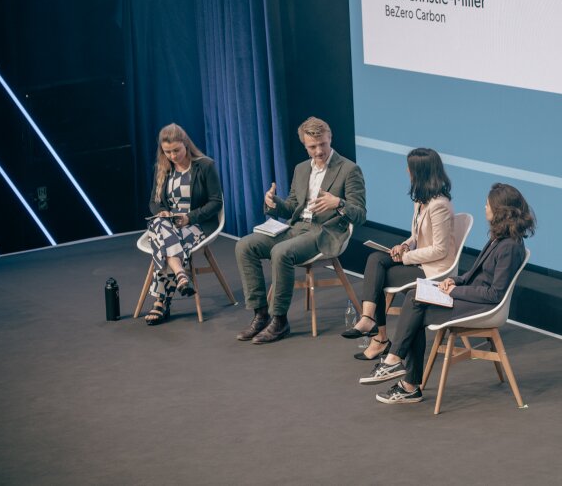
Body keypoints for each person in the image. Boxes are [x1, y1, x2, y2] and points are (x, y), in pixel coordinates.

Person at [359, 183, 534, 404]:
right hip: (468, 294)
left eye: (488, 205)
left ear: (500, 211)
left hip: (482, 306)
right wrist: (454, 280)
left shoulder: (510, 247)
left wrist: (456, 291)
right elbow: (474, 273)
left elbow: (494, 294)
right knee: (415, 295)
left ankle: (403, 374)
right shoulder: (499, 239)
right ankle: (403, 376)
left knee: (415, 307)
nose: (484, 208)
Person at [234, 117, 366, 344]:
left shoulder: (349, 169)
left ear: (330, 139)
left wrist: (339, 203)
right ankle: (260, 314)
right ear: (305, 146)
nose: (318, 151)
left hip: (324, 232)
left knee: (281, 252)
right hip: (296, 228)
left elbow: (361, 214)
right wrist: (274, 202)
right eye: (312, 147)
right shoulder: (302, 168)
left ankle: (279, 320)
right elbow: (292, 207)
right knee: (244, 245)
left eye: (322, 145)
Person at [342, 148, 457, 360]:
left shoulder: (439, 205)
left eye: (410, 167)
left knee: (378, 275)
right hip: (420, 261)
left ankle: (378, 336)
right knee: (375, 258)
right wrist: (404, 246)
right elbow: (416, 236)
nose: (406, 171)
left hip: (435, 269)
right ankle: (371, 325)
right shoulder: (421, 200)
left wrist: (406, 257)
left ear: (420, 172)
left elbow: (440, 250)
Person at [144, 124, 223, 325]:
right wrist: (161, 211)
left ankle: (160, 302)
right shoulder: (162, 169)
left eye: (176, 150)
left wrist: (190, 217)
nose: (172, 155)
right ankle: (181, 274)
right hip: (169, 224)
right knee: (162, 227)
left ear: (186, 145)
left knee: (162, 241)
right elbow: (154, 202)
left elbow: (216, 202)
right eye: (167, 151)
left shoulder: (205, 166)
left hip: (197, 224)